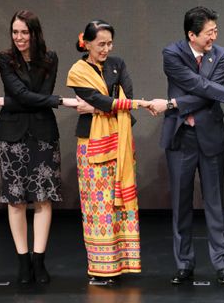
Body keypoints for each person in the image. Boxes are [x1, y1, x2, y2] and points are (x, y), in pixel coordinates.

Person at [150, 6, 224, 285]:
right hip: (181, 137)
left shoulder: (220, 54)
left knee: (215, 202)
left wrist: (174, 103)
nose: (213, 37)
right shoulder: (172, 54)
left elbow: (208, 93)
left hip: (209, 136)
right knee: (181, 203)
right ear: (191, 34)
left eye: (215, 31)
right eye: (208, 33)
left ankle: (221, 264)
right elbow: (199, 86)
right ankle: (184, 263)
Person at [0, 10, 78, 284]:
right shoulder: (5, 58)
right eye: (15, 32)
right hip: (12, 135)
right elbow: (21, 95)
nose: (19, 37)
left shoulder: (50, 58)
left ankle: (39, 261)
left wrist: (18, 100)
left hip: (42, 133)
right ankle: (22, 261)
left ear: (34, 33)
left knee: (43, 198)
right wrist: (59, 101)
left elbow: (34, 97)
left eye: (24, 32)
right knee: (15, 199)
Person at [67, 20, 151, 283]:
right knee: (98, 207)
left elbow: (122, 96)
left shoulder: (118, 64)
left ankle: (124, 264)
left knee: (120, 204)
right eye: (100, 44)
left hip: (120, 140)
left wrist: (105, 106)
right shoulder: (78, 71)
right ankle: (101, 269)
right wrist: (108, 105)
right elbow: (99, 99)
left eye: (109, 43)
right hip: (92, 144)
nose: (106, 49)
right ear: (87, 43)